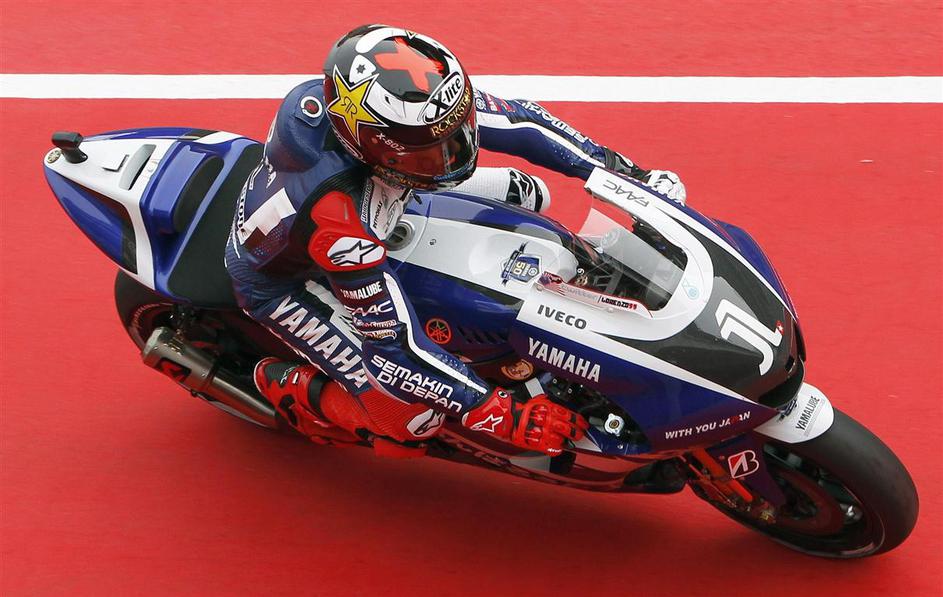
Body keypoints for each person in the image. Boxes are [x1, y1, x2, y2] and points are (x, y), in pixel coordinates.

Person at [224, 24, 686, 458]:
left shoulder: (406, 111)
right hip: (288, 280)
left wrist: (627, 175)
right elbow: (393, 350)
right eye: (431, 151)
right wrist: (496, 411)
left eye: (456, 132)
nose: (454, 153)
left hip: (387, 195)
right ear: (373, 144)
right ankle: (286, 387)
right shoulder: (339, 220)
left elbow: (524, 123)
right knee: (409, 419)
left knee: (528, 191)